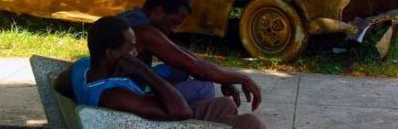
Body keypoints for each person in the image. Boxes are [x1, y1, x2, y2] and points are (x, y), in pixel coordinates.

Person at [57, 16, 265, 128]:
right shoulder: (113, 96)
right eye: (130, 47)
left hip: (154, 115)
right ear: (110, 52)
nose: (135, 51)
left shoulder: (82, 68)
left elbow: (59, 84)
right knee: (251, 124)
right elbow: (181, 112)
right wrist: (142, 69)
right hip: (164, 123)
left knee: (225, 104)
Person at [118, 0, 262, 111]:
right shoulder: (144, 32)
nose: (174, 31)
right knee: (203, 87)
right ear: (158, 12)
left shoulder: (131, 17)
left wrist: (225, 78)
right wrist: (244, 78)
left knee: (179, 69)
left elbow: (188, 57)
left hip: (120, 87)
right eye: (174, 22)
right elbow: (199, 69)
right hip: (121, 98)